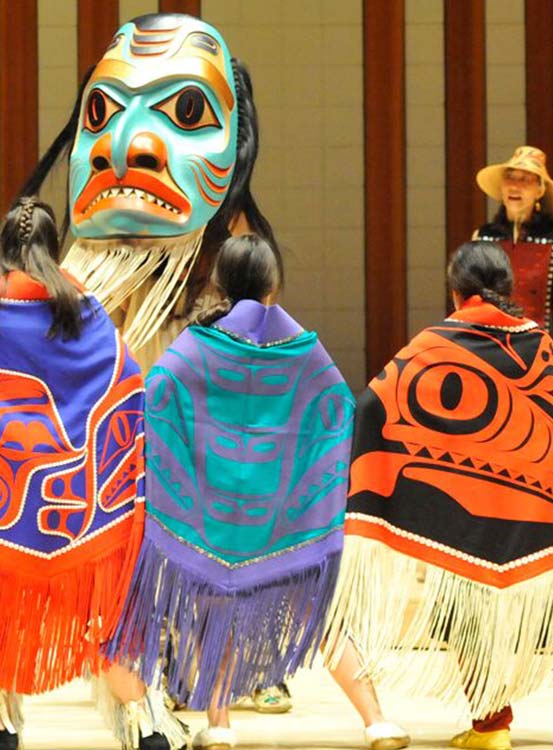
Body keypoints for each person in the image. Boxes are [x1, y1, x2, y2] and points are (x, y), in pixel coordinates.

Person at [331, 243, 553, 750]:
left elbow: (376, 399)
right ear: (508, 289)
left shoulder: (439, 341)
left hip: (468, 518)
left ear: (456, 289)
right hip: (542, 513)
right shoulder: (540, 343)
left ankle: (492, 726)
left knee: (462, 607)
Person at [0, 199, 184, 750]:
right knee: (104, 624)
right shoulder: (76, 297)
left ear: (2, 240)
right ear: (51, 245)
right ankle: (147, 726)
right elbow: (126, 376)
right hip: (72, 499)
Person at [105, 234, 409, 750]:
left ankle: (220, 727)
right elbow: (338, 407)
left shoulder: (196, 345)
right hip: (286, 513)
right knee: (323, 617)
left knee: (215, 616)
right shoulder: (303, 349)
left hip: (210, 510)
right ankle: (377, 720)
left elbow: (152, 399)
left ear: (221, 284)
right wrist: (318, 484)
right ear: (273, 285)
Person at [18, 12, 274, 370]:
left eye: (187, 110)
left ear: (237, 142)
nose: (120, 146)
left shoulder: (229, 275)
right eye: (100, 112)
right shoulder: (51, 305)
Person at [474, 146, 553, 366]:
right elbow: (470, 304)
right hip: (489, 352)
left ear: (540, 190)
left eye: (526, 180)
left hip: (540, 355)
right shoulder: (482, 238)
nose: (515, 186)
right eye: (510, 178)